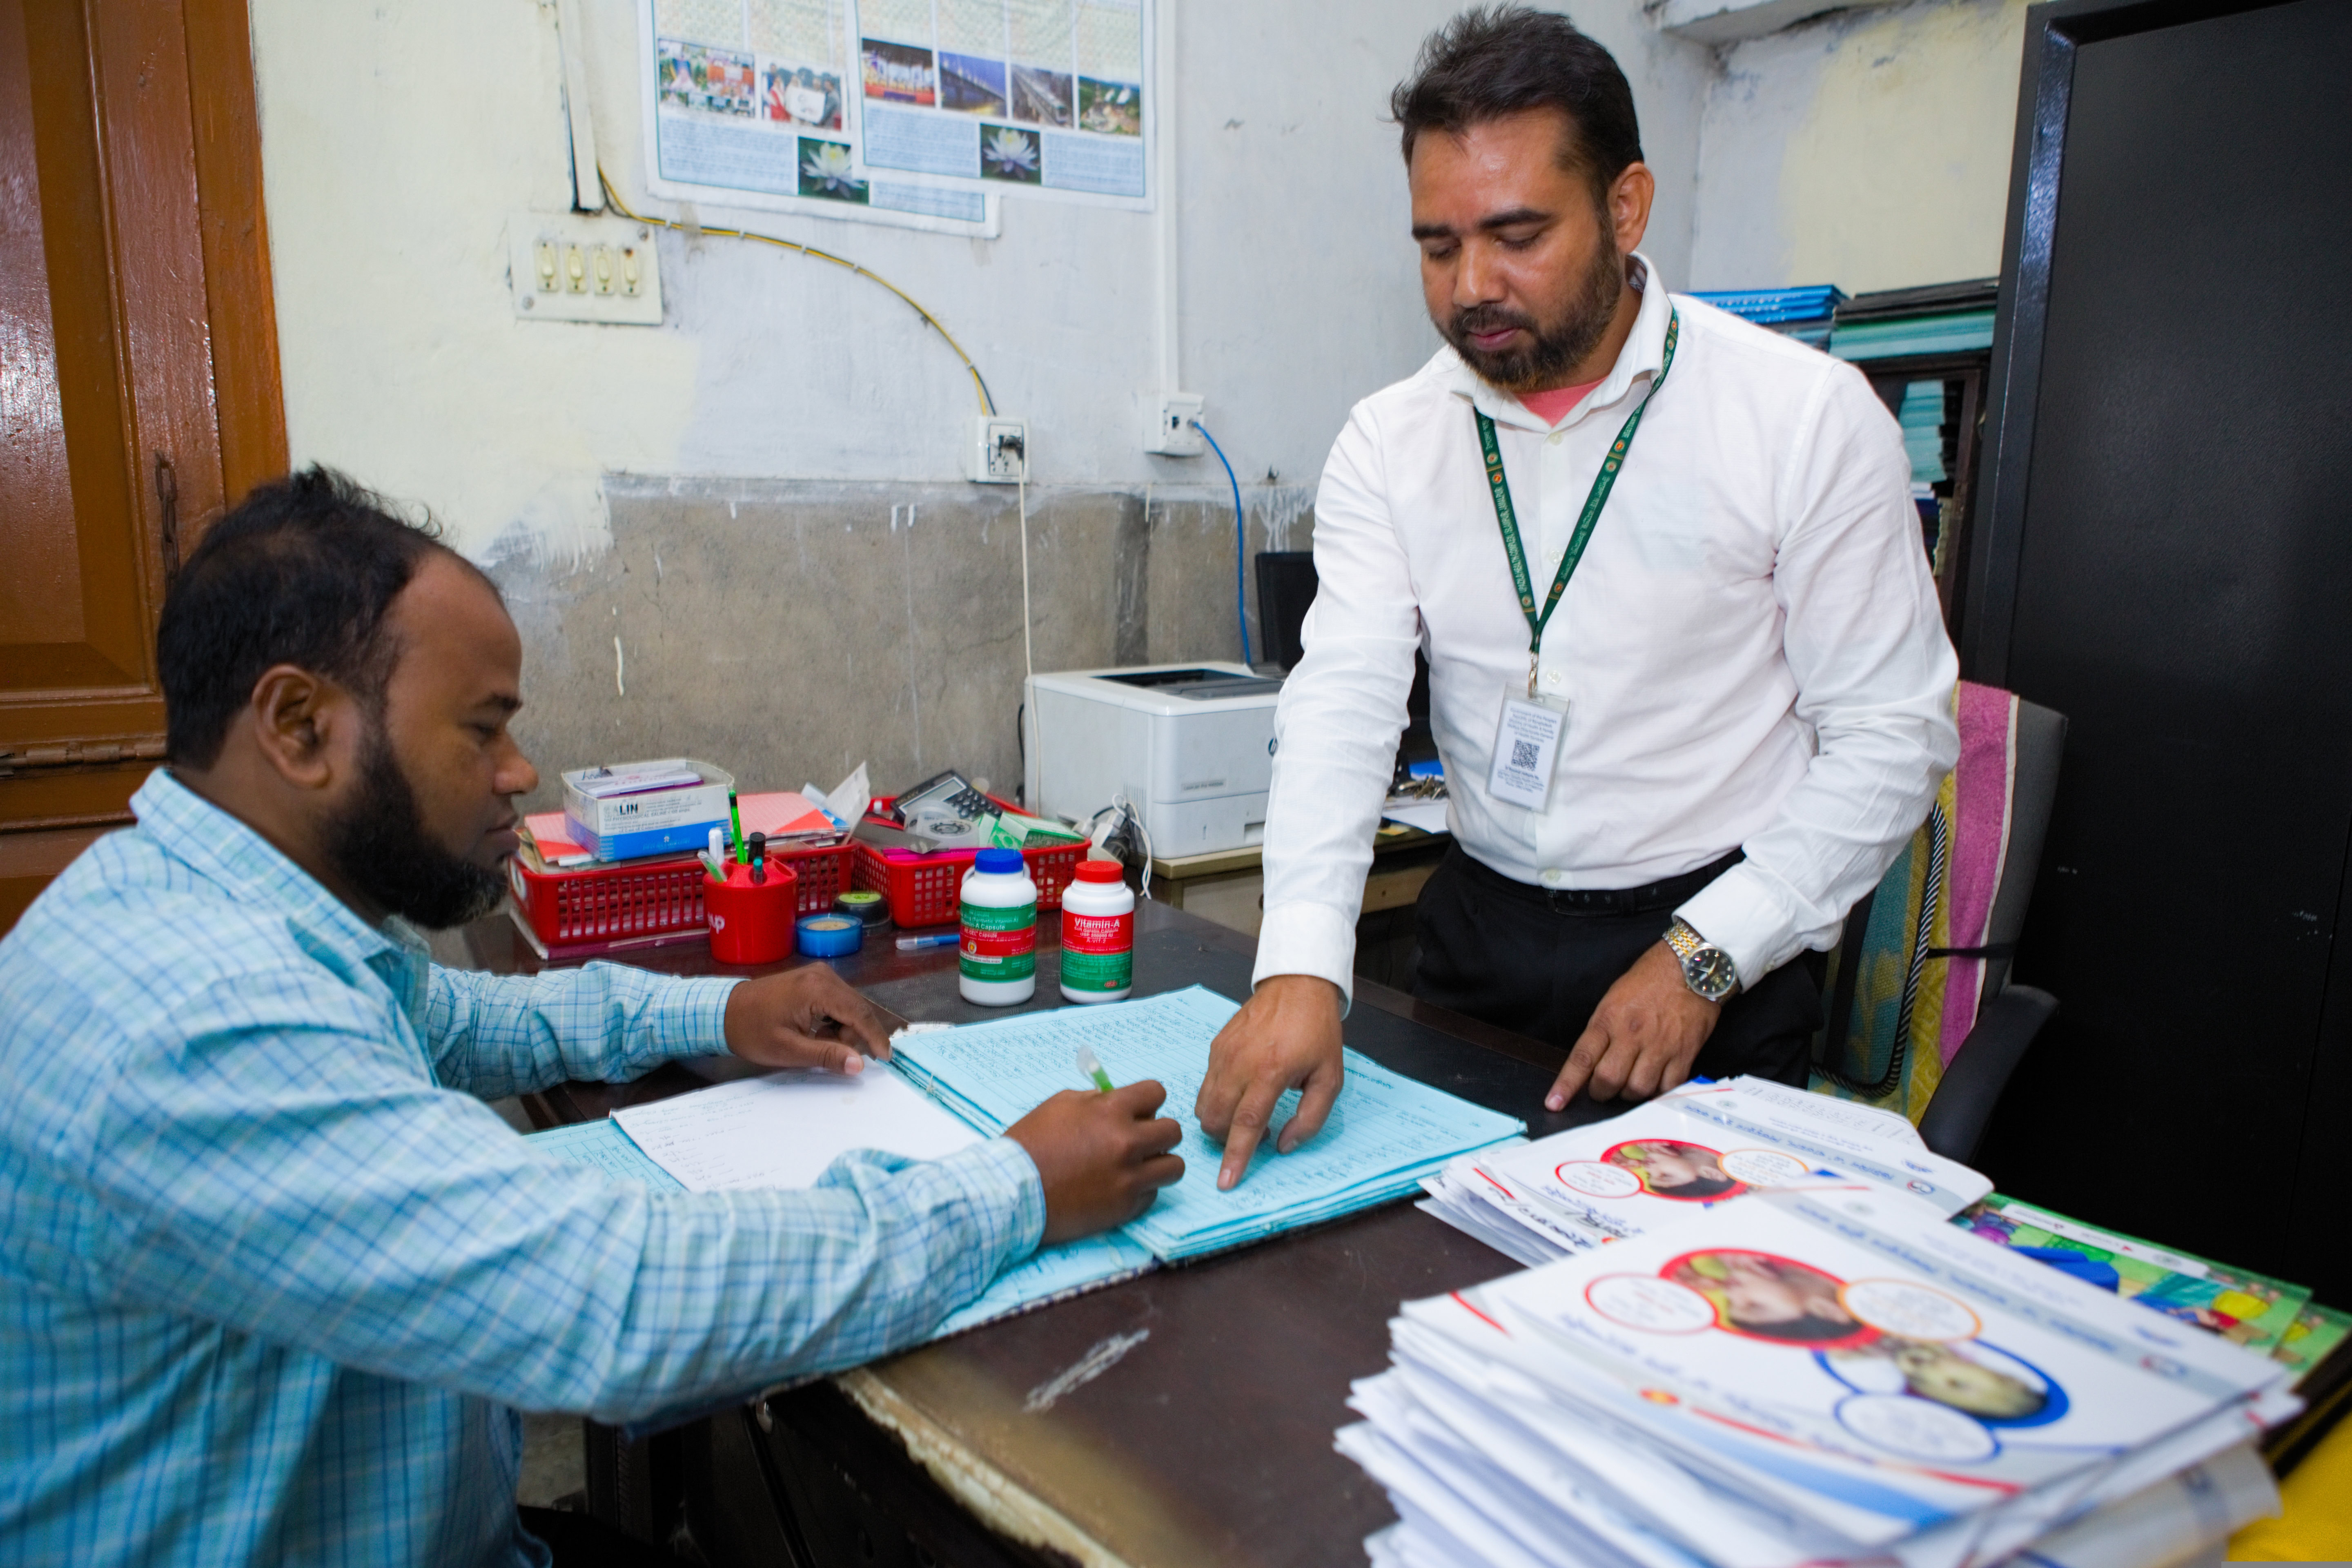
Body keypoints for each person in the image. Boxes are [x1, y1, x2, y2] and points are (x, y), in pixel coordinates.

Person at [0, 468, 1185, 1567]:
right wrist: (1020, 1185)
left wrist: (725, 1009)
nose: (518, 771)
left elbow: (461, 1021)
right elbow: (626, 1303)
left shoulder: (216, 914)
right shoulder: (197, 1026)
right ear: (300, 726)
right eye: (482, 728)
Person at [1196, 5, 1959, 1189]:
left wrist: (1709, 957)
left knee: (1688, 1308)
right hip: (1481, 930)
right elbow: (1344, 699)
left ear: (1627, 206)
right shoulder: (1391, 441)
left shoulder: (1801, 419)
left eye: (1516, 234)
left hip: (1707, 943)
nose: (1471, 287)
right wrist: (1299, 962)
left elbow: (1893, 736)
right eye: (1438, 245)